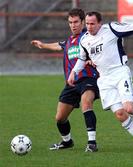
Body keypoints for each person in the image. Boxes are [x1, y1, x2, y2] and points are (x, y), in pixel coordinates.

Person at [68, 11, 133, 152]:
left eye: (93, 24)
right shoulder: (84, 40)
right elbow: (82, 58)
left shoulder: (112, 29)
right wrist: (73, 73)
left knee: (129, 108)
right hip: (104, 79)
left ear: (100, 23)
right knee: (121, 114)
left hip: (120, 73)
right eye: (88, 23)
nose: (89, 27)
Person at [31, 8, 99, 152]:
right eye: (70, 22)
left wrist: (92, 61)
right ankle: (67, 142)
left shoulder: (89, 37)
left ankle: (92, 143)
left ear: (83, 22)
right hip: (71, 83)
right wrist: (42, 45)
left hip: (88, 79)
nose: (73, 25)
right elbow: (58, 45)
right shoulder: (69, 41)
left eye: (76, 22)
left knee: (86, 103)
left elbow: (100, 50)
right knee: (60, 117)